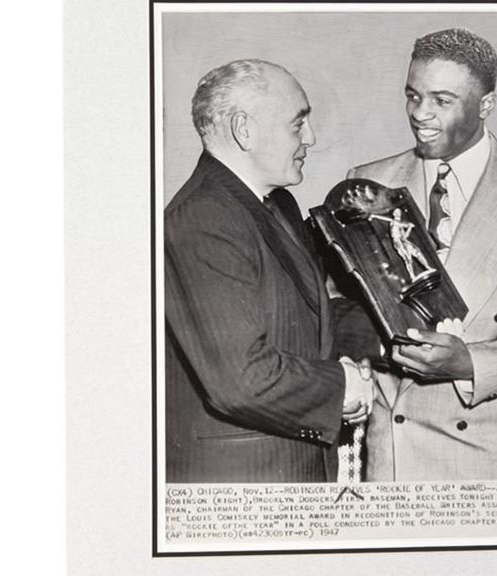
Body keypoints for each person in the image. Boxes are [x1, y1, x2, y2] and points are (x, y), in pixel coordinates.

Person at [347, 29, 497, 481]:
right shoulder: (367, 180)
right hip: (392, 452)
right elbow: (340, 305)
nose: (420, 115)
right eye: (413, 96)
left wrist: (470, 363)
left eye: (442, 100)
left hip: (490, 454)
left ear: (486, 105)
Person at [164, 59, 373, 483]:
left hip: (294, 469)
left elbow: (311, 321)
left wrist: (399, 337)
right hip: (241, 486)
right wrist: (343, 387)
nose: (310, 139)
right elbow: (242, 380)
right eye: (298, 124)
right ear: (244, 130)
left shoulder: (276, 205)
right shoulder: (202, 217)